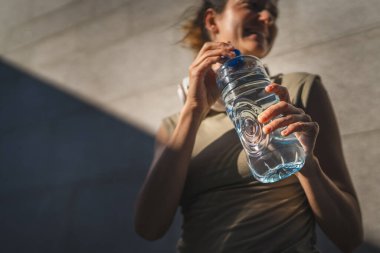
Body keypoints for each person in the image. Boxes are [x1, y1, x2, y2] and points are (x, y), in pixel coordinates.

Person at [134, 0, 363, 252]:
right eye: (252, 5)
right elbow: (149, 228)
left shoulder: (297, 91)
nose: (267, 17)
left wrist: (308, 168)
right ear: (212, 21)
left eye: (273, 12)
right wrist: (193, 109)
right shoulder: (174, 125)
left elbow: (349, 236)